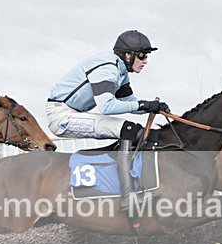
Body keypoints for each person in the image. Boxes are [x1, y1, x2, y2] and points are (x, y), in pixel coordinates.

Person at [46, 29, 170, 210]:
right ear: (128, 55)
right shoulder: (108, 68)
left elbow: (129, 103)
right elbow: (107, 107)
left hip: (74, 113)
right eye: (142, 56)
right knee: (129, 130)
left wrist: (154, 107)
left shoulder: (121, 72)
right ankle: (128, 197)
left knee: (134, 131)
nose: (145, 61)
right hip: (61, 116)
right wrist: (144, 105)